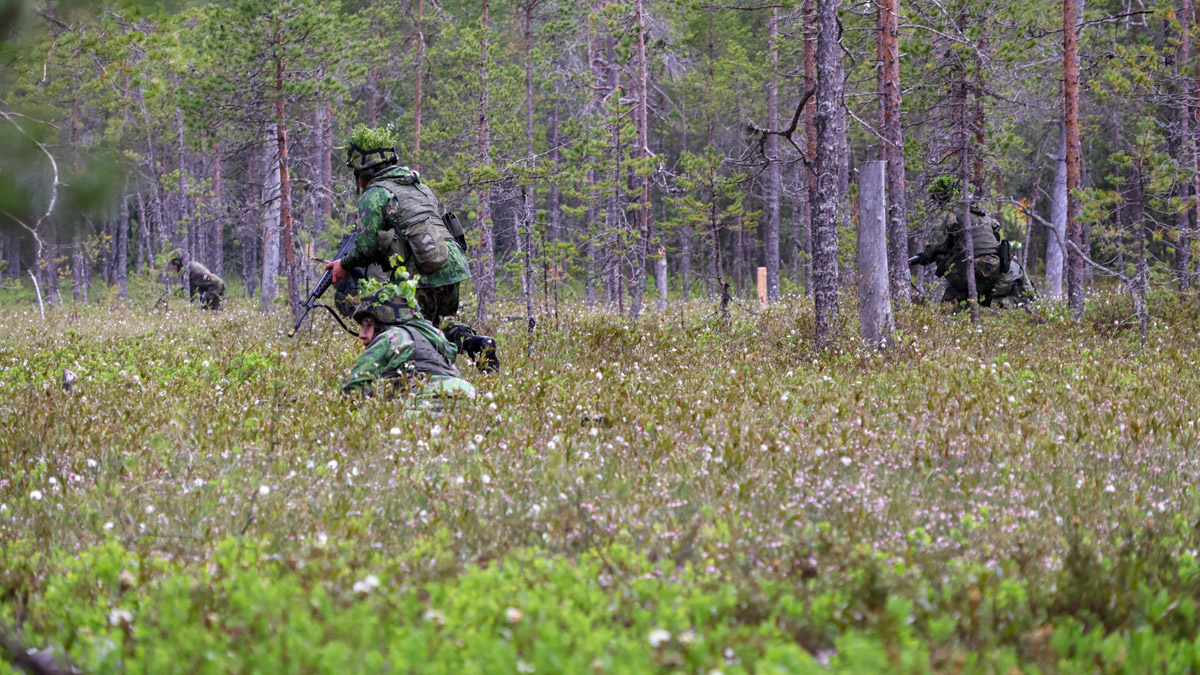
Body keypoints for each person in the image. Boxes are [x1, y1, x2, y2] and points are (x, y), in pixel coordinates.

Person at [326, 125, 499, 373]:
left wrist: (343, 265)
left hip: (424, 272)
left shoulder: (375, 194)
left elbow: (365, 247)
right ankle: (477, 344)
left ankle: (412, 381)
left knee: (405, 329)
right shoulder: (419, 187)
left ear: (365, 172)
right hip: (452, 265)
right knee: (433, 328)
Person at [341, 290, 476, 409]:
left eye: (367, 325)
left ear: (383, 323)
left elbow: (352, 385)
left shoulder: (391, 336)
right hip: (467, 400)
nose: (361, 335)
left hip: (424, 405)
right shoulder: (435, 337)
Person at [909, 177, 1005, 307]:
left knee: (948, 310)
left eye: (937, 200)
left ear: (943, 198)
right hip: (995, 266)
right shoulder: (981, 214)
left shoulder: (949, 214)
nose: (936, 204)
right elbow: (996, 234)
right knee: (985, 306)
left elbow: (935, 246)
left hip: (974, 268)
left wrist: (924, 257)